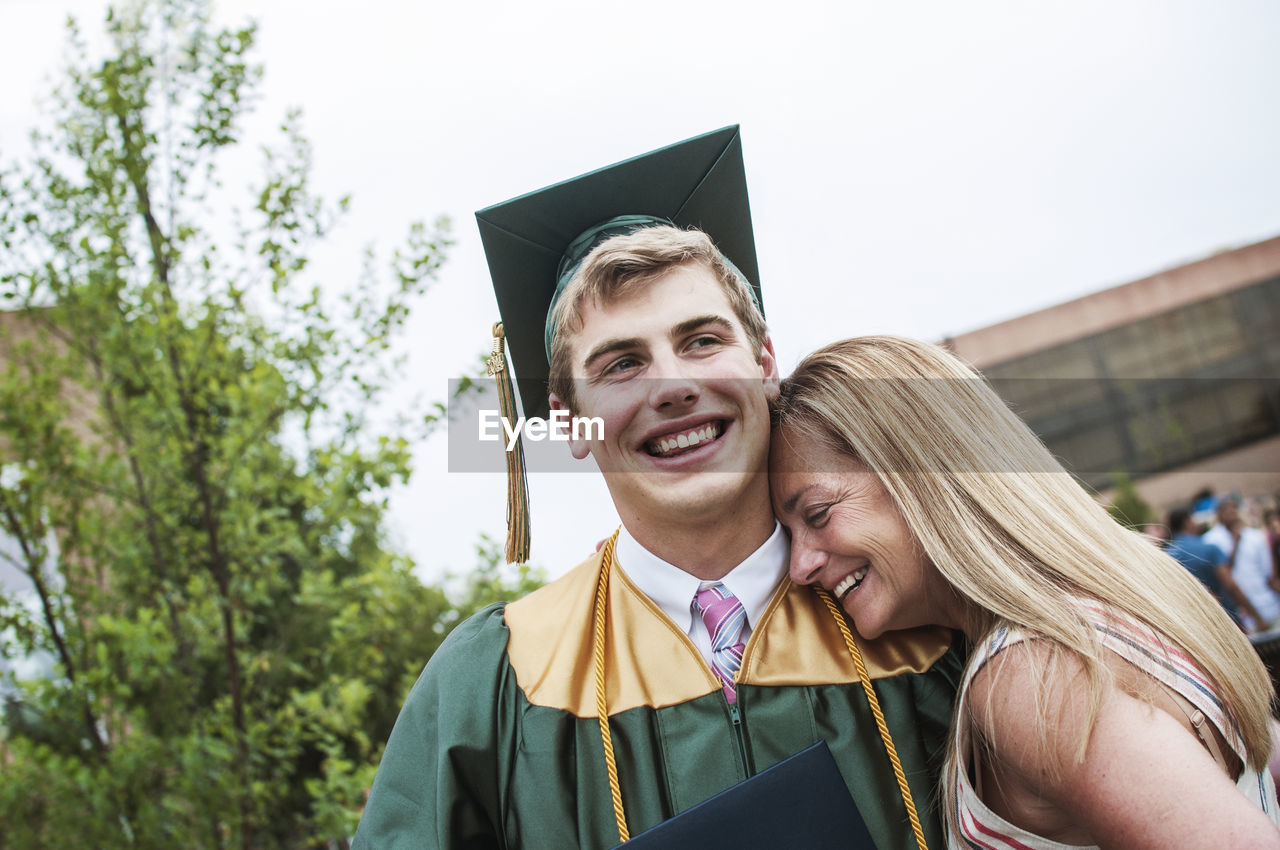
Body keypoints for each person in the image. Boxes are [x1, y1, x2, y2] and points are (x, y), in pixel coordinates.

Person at [353, 130, 962, 849]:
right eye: (620, 365)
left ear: (766, 365)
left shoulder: (925, 607)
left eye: (702, 341)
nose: (673, 386)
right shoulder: (501, 681)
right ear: (570, 422)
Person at [769, 335, 1280, 849]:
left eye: (817, 515)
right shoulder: (1128, 596)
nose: (800, 566)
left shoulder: (1028, 671)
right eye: (789, 535)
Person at [1165, 505, 1261, 629]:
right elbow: (1231, 586)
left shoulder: (1167, 557)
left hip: (1192, 628)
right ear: (1187, 522)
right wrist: (1257, 617)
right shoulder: (1209, 548)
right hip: (1226, 621)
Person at [1206, 498, 1280, 632]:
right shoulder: (1211, 540)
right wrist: (1235, 544)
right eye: (1226, 510)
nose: (1231, 513)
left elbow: (1269, 574)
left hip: (1269, 606)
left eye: (1233, 508)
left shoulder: (1254, 536)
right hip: (1241, 615)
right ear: (1219, 514)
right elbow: (1223, 576)